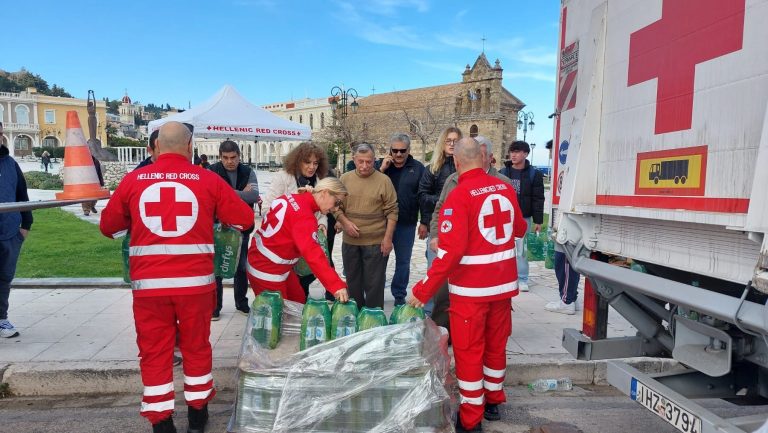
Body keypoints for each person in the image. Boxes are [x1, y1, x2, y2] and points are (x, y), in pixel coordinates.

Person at [99, 121, 254, 433]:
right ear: (189, 146)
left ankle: (162, 423)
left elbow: (109, 227)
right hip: (195, 286)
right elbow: (245, 218)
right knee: (197, 347)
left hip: (149, 289)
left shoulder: (134, 180)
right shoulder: (207, 180)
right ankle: (197, 416)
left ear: (156, 147)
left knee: (155, 351)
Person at [407, 137, 527, 433]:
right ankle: (493, 401)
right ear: (483, 159)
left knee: (470, 352)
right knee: (496, 345)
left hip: (471, 292)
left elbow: (450, 255)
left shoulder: (459, 195)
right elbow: (520, 228)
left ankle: (471, 419)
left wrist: (422, 291)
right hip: (502, 287)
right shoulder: (505, 188)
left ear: (458, 163)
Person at [427, 136, 511, 335]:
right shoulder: (453, 179)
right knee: (442, 293)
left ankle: (470, 333)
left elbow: (509, 225)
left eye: (480, 155)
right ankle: (443, 332)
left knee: (478, 312)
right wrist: (435, 234)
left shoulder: (502, 183)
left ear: (490, 157)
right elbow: (440, 209)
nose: (475, 159)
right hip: (449, 248)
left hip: (480, 261)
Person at [247, 177, 350, 303]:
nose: (336, 209)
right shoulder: (304, 216)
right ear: (325, 193)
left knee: (298, 300)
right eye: (337, 202)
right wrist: (336, 285)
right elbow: (313, 255)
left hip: (265, 260)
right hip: (267, 270)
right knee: (280, 316)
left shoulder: (292, 198)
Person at [334, 143, 398, 309]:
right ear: (354, 159)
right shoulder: (344, 179)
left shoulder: (384, 181)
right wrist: (344, 222)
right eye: (360, 161)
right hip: (350, 243)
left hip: (375, 243)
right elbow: (336, 206)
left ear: (374, 160)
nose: (364, 166)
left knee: (374, 285)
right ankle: (355, 318)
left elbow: (392, 211)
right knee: (353, 283)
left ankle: (374, 320)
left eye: (368, 162)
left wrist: (388, 239)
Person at [262, 142, 331, 297]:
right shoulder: (283, 177)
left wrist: (322, 225)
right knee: (288, 284)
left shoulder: (319, 180)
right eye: (307, 162)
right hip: (285, 241)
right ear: (297, 161)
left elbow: (322, 212)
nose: (312, 167)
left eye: (315, 163)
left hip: (308, 239)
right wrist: (296, 203)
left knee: (307, 276)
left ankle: (300, 308)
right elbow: (267, 208)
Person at [208, 141, 260, 320]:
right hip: (217, 227)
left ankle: (241, 303)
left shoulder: (248, 171)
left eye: (233, 158)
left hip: (241, 228)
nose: (230, 161)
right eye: (225, 158)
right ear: (220, 156)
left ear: (239, 156)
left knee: (241, 266)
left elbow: (254, 195)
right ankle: (215, 307)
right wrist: (239, 193)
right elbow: (210, 197)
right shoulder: (211, 171)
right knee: (217, 268)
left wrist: (227, 193)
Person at [376, 133, 425, 306]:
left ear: (408, 150)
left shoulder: (418, 168)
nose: (398, 154)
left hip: (407, 223)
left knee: (403, 262)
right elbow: (369, 184)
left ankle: (399, 295)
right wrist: (382, 168)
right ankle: (376, 293)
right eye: (394, 150)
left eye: (402, 151)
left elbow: (423, 196)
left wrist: (424, 222)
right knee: (380, 260)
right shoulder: (381, 166)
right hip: (382, 223)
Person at [417, 126, 461, 314]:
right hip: (438, 226)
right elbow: (422, 196)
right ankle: (429, 312)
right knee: (434, 271)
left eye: (455, 141)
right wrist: (445, 203)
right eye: (448, 141)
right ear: (442, 143)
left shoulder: (463, 167)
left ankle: (450, 313)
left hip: (459, 227)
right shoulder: (432, 169)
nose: (452, 144)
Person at [0, 122, 32, 339]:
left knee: (4, 278)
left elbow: (22, 194)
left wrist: (25, 226)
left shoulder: (10, 164)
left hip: (9, 231)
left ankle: (1, 319)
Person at [499, 140, 545, 292]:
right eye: (512, 151)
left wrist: (538, 220)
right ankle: (503, 276)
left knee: (521, 250)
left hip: (523, 217)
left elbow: (538, 198)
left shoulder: (534, 174)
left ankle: (522, 278)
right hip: (503, 217)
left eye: (517, 152)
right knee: (501, 248)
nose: (513, 154)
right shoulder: (503, 173)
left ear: (525, 154)